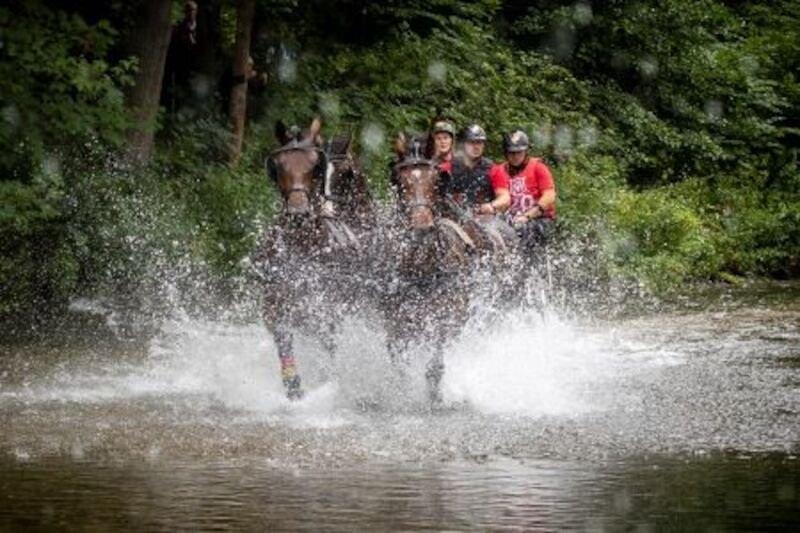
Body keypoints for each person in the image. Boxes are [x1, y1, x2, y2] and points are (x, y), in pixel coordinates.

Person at [501, 128, 557, 250]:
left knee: (526, 229)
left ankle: (529, 266)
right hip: (511, 220)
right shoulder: (500, 171)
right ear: (506, 153)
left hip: (539, 219)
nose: (515, 156)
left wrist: (527, 216)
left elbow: (549, 196)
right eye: (511, 153)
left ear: (526, 152)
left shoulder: (538, 168)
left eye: (519, 152)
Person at [444, 124, 510, 216]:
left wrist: (491, 206)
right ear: (463, 144)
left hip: (483, 220)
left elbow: (505, 198)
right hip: (453, 217)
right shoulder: (448, 168)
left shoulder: (494, 169)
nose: (476, 146)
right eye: (472, 142)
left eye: (479, 142)